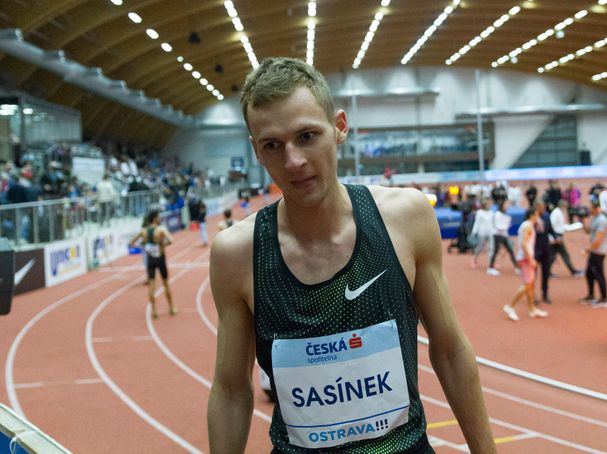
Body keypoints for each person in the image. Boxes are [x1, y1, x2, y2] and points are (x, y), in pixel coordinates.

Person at [208, 57, 495, 453]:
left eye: (307, 136)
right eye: (274, 145)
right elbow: (231, 389)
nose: (293, 161)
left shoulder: (405, 218)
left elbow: (450, 350)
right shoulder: (237, 253)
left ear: (339, 127)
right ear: (257, 150)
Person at [128, 209, 178, 319]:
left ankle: (154, 311)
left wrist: (144, 246)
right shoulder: (161, 230)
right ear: (155, 218)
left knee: (151, 286)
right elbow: (171, 240)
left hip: (150, 260)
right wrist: (162, 245)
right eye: (159, 217)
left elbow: (130, 243)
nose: (160, 219)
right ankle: (171, 307)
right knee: (165, 283)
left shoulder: (143, 231)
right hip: (160, 259)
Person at [503, 207, 548, 321]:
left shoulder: (527, 226)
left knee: (531, 284)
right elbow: (524, 243)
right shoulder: (527, 226)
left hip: (526, 257)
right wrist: (530, 259)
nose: (538, 217)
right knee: (527, 284)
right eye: (537, 215)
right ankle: (510, 306)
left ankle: (532, 308)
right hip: (525, 258)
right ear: (532, 215)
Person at [579, 202, 607, 308]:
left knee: (599, 274)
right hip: (594, 251)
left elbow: (599, 239)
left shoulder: (601, 220)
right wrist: (582, 220)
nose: (589, 211)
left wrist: (588, 250)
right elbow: (589, 231)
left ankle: (604, 298)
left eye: (591, 208)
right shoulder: (595, 218)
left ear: (596, 208)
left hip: (599, 252)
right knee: (589, 273)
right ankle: (591, 295)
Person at [549, 200, 583, 277]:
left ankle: (547, 272)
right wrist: (554, 238)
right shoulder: (556, 213)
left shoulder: (559, 212)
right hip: (556, 237)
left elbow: (561, 226)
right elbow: (551, 226)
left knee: (553, 256)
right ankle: (573, 271)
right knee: (561, 255)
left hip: (558, 236)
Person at [487, 199, 519, 276]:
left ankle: (517, 268)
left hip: (504, 235)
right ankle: (490, 268)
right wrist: (506, 225)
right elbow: (498, 225)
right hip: (497, 235)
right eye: (506, 204)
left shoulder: (506, 215)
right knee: (496, 251)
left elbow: (507, 225)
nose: (507, 206)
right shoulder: (497, 214)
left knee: (510, 250)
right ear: (502, 205)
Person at [533, 201, 555, 304]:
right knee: (533, 273)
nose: (543, 209)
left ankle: (545, 293)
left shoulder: (547, 216)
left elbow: (550, 230)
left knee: (546, 272)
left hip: (545, 247)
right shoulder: (532, 217)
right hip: (535, 248)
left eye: (544, 207)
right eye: (541, 207)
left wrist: (556, 236)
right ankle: (532, 294)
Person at [470, 198, 495, 269]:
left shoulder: (491, 213)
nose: (489, 205)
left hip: (490, 232)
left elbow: (493, 223)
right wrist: (474, 232)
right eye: (488, 204)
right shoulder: (479, 212)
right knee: (479, 247)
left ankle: (491, 263)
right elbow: (477, 223)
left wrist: (494, 231)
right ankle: (474, 260)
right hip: (482, 232)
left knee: (491, 248)